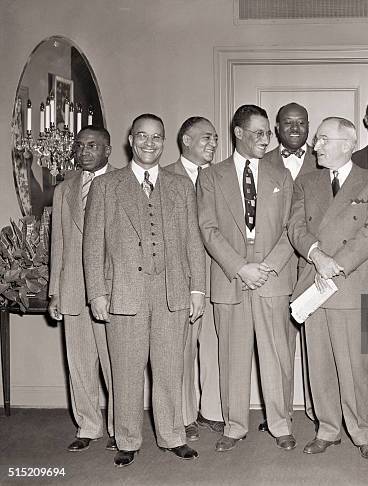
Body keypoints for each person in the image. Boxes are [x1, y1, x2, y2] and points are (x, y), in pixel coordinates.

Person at [83, 113, 206, 467]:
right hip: (123, 293)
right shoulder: (107, 186)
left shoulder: (180, 186)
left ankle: (172, 435)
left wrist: (197, 289)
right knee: (126, 371)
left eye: (156, 137)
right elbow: (92, 245)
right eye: (142, 136)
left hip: (172, 293)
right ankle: (127, 439)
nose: (149, 143)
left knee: (170, 369)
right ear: (130, 140)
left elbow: (192, 243)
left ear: (164, 142)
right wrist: (96, 293)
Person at [198, 104, 296, 453]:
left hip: (273, 275)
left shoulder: (282, 176)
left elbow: (292, 229)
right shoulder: (211, 177)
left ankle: (281, 423)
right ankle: (235, 426)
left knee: (277, 355)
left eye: (268, 133)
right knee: (232, 355)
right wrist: (241, 267)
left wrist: (267, 266)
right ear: (238, 133)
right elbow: (208, 230)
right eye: (258, 133)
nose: (266, 139)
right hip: (231, 276)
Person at [288, 116, 368, 460]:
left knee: (355, 366)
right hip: (314, 282)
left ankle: (363, 432)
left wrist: (337, 263)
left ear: (348, 143)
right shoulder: (306, 182)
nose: (316, 146)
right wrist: (318, 256)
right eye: (317, 140)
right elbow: (296, 227)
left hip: (348, 281)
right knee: (320, 363)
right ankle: (327, 429)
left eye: (323, 139)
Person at [48, 126, 116, 452]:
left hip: (113, 292)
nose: (84, 150)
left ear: (108, 149)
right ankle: (88, 426)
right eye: (80, 145)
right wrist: (55, 293)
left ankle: (121, 427)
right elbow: (57, 244)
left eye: (93, 145)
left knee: (116, 362)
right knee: (79, 362)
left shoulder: (123, 183)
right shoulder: (64, 190)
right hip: (74, 289)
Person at [259, 102, 319, 431]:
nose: (295, 128)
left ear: (309, 127)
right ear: (277, 128)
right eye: (288, 123)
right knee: (279, 343)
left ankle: (319, 410)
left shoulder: (325, 161)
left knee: (318, 340)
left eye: (301, 122)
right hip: (276, 265)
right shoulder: (261, 162)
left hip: (314, 263)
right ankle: (279, 413)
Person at [166, 116, 224, 441]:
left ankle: (212, 411)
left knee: (214, 345)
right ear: (186, 140)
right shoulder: (164, 178)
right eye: (206, 138)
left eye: (215, 138)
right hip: (183, 278)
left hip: (216, 276)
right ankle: (185, 415)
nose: (213, 143)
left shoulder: (218, 176)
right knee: (183, 348)